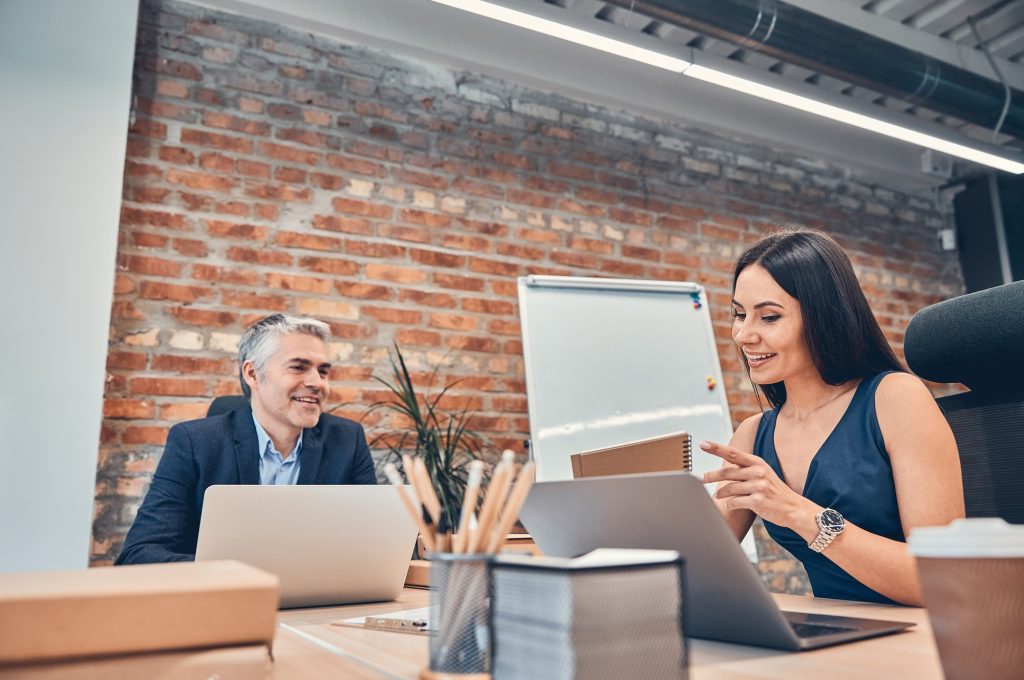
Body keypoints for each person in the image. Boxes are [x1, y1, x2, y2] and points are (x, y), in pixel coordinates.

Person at [700, 228, 964, 606]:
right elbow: (693, 563)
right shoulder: (753, 435)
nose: (743, 334)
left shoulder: (895, 398)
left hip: (923, 638)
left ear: (825, 317)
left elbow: (945, 581)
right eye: (740, 315)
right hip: (842, 635)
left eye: (769, 317)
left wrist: (796, 512)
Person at [116, 314, 376, 565]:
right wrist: (243, 573)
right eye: (298, 367)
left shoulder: (347, 441)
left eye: (323, 371)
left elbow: (375, 543)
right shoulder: (195, 442)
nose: (317, 383)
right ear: (252, 374)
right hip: (226, 601)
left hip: (320, 603)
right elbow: (139, 556)